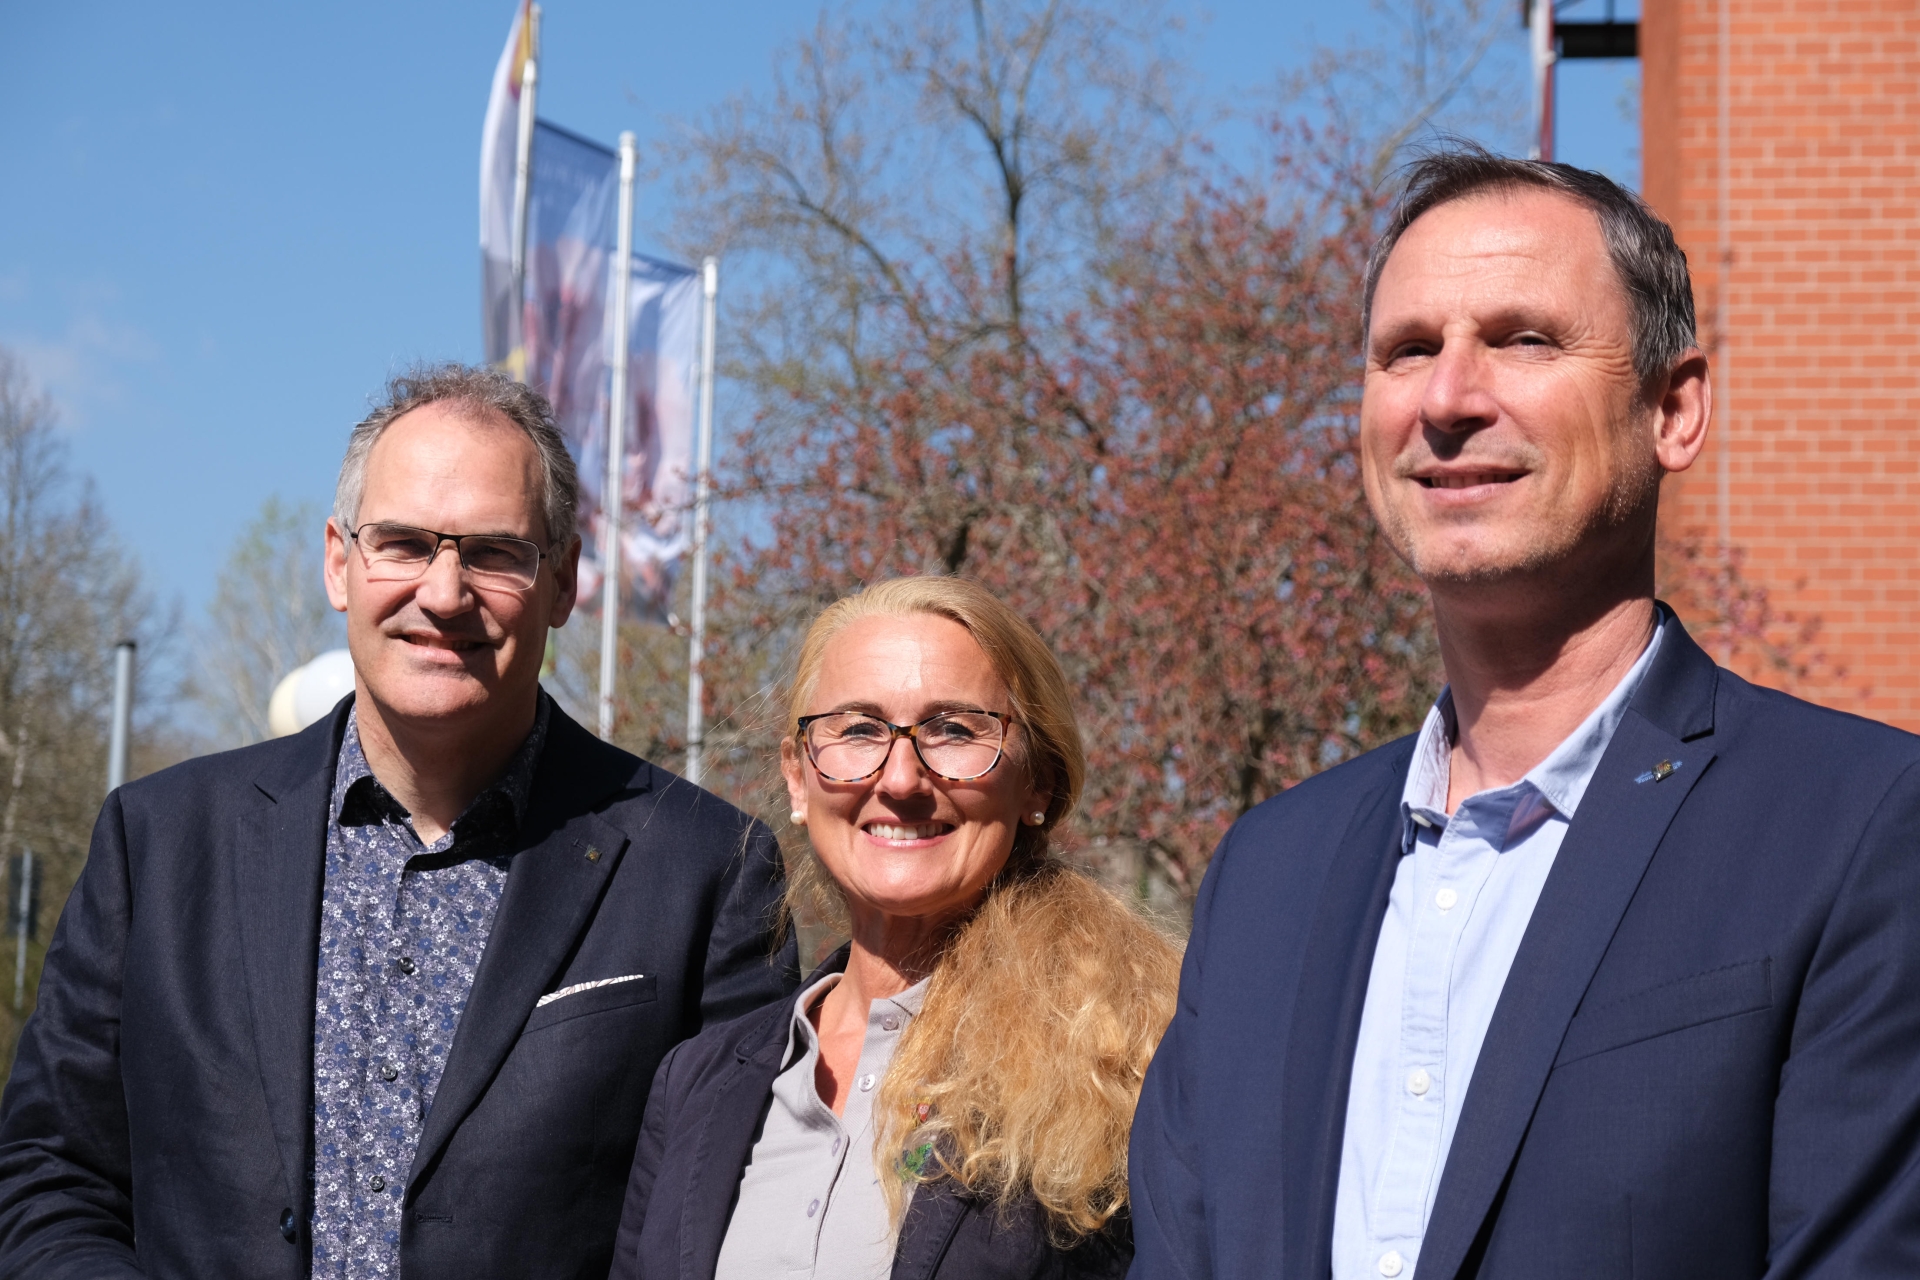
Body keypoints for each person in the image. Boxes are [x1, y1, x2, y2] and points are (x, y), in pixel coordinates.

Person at [1127, 148, 1920, 1280]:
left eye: (1524, 340)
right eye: (1407, 350)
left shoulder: (1857, 828)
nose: (1448, 398)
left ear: (1674, 408)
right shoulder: (1268, 874)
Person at [0, 365, 798, 1279]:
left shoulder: (705, 869)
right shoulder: (158, 843)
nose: (444, 592)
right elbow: (50, 1177)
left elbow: (716, 1227)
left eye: (495, 552)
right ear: (340, 562)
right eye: (405, 544)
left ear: (565, 581)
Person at [612, 575, 1180, 1280]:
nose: (903, 779)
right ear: (799, 778)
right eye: (858, 730)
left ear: (1037, 780)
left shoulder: (1129, 1059)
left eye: (954, 730)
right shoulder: (695, 1084)